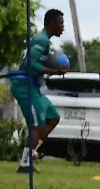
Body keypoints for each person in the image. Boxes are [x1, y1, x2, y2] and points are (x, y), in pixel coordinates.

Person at [12, 9, 69, 173]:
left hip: (34, 87)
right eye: (60, 23)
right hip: (25, 86)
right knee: (36, 126)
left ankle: (32, 151)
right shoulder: (41, 40)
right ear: (52, 23)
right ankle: (25, 163)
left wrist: (55, 65)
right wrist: (55, 72)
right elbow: (30, 64)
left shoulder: (46, 41)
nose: (62, 27)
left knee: (53, 117)